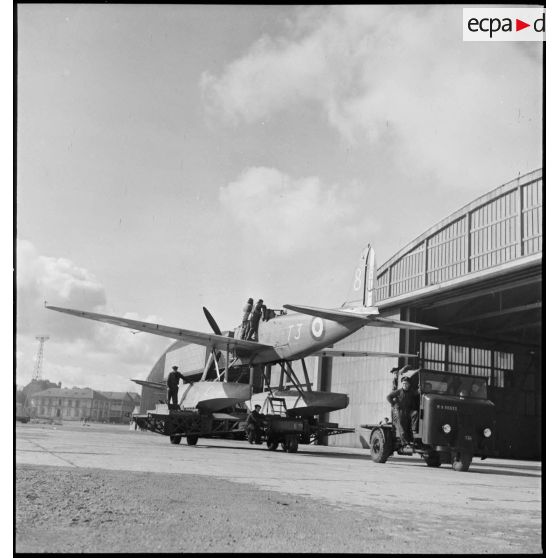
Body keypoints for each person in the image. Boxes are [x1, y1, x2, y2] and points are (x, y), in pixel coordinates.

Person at [386, 375, 419, 448]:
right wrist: (394, 404)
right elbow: (388, 397)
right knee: (402, 428)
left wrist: (420, 388)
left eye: (406, 384)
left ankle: (414, 430)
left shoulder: (411, 392)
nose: (405, 385)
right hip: (400, 411)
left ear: (409, 385)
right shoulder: (398, 392)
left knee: (415, 413)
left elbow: (417, 392)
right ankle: (405, 443)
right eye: (403, 383)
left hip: (409, 411)